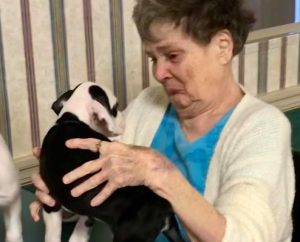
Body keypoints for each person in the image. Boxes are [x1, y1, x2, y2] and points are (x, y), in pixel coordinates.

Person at [30, 0, 295, 241]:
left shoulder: (264, 129)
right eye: (153, 58)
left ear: (222, 47)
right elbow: (103, 193)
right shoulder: (148, 105)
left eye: (173, 56)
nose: (158, 72)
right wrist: (62, 196)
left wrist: (160, 173)